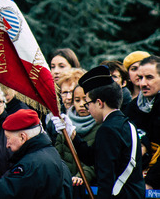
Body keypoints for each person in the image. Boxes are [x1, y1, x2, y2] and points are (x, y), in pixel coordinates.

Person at [52, 65, 145, 199]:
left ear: (100, 103)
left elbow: (106, 178)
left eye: (88, 103)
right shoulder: (128, 124)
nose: (87, 108)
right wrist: (72, 133)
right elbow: (92, 158)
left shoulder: (107, 130)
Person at [0, 109, 73, 199]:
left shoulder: (30, 165)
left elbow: (2, 195)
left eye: (8, 138)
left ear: (23, 137)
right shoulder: (53, 155)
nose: (7, 145)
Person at [55, 84, 100, 190]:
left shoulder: (100, 126)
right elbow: (57, 155)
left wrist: (81, 177)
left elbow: (94, 162)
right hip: (65, 184)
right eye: (77, 100)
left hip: (88, 186)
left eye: (85, 99)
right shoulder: (64, 124)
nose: (81, 104)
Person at [125, 55, 160, 189]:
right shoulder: (133, 107)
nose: (143, 83)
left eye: (149, 77)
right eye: (140, 78)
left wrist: (150, 181)